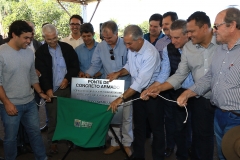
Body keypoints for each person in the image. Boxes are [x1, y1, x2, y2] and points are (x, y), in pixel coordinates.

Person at [142, 11, 219, 160]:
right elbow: (179, 74)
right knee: (189, 131)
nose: (172, 41)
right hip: (191, 95)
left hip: (216, 100)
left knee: (210, 137)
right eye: (171, 37)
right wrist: (157, 88)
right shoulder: (186, 48)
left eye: (190, 31)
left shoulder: (221, 44)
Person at [176, 8, 240, 160]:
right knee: (224, 154)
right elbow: (210, 76)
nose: (214, 30)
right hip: (219, 115)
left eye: (217, 26)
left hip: (237, 118)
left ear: (232, 25)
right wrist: (188, 92)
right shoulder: (221, 50)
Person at [108, 25, 164, 160]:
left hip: (152, 94)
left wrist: (120, 98)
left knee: (156, 130)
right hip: (138, 94)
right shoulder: (133, 49)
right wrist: (118, 73)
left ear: (139, 40)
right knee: (138, 127)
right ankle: (138, 156)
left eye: (129, 43)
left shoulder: (150, 53)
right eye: (125, 43)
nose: (127, 47)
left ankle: (158, 157)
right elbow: (129, 66)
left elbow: (140, 82)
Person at [142, 20, 193, 160]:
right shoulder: (167, 49)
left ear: (187, 35)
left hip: (195, 94)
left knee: (193, 128)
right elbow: (164, 73)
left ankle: (189, 149)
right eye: (171, 37)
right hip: (173, 91)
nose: (172, 41)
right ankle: (180, 153)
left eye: (176, 38)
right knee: (176, 126)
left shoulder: (196, 49)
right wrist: (152, 88)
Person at [0, 20, 50, 160]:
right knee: (11, 137)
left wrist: (41, 93)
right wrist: (7, 103)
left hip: (29, 102)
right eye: (26, 38)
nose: (29, 41)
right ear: (14, 35)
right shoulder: (1, 53)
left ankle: (42, 158)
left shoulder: (29, 53)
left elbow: (32, 75)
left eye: (30, 38)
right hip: (9, 104)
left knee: (35, 133)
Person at [85, 21, 133, 156]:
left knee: (126, 117)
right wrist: (88, 74)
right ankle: (114, 143)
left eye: (110, 38)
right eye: (104, 38)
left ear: (117, 34)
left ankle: (127, 143)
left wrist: (119, 73)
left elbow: (131, 65)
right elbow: (95, 64)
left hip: (127, 85)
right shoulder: (101, 47)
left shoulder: (126, 45)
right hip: (110, 88)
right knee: (112, 115)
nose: (107, 40)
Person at [35, 24, 79, 154]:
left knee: (69, 115)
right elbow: (42, 74)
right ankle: (53, 142)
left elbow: (74, 66)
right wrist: (47, 89)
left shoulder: (67, 48)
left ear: (57, 35)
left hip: (67, 88)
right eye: (49, 39)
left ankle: (70, 139)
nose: (53, 41)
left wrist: (67, 78)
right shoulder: (41, 52)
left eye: (54, 38)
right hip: (51, 91)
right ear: (44, 38)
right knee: (53, 118)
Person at [154, 11, 179, 157]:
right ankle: (170, 145)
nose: (163, 27)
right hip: (166, 87)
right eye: (162, 25)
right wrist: (156, 86)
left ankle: (186, 146)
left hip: (185, 88)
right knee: (169, 118)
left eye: (166, 24)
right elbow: (162, 68)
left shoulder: (187, 41)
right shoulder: (161, 43)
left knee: (184, 120)